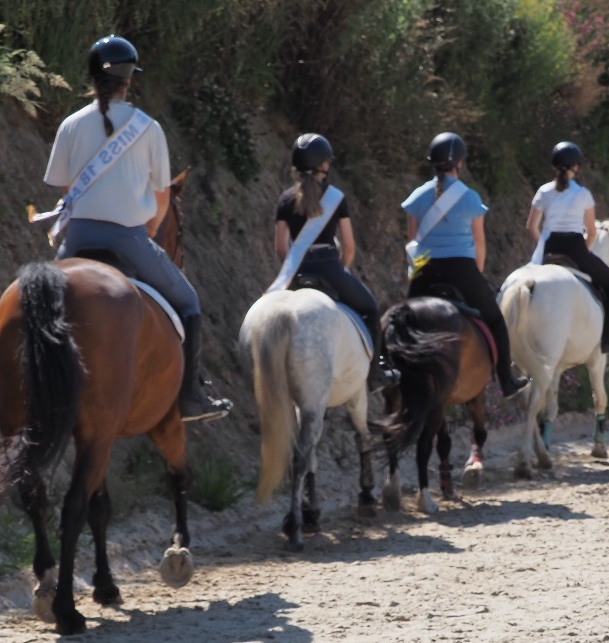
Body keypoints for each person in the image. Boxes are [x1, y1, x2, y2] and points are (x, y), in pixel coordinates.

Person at [46, 34, 231, 421]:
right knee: (189, 304)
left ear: (93, 76)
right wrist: (147, 230)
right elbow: (162, 198)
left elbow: (67, 188)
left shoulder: (70, 125)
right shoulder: (148, 128)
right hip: (128, 237)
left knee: (43, 300)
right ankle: (190, 396)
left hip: (77, 235)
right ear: (129, 80)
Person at [401, 132, 529, 398]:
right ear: (459, 163)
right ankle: (506, 380)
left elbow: (412, 240)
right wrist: (476, 275)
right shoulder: (470, 197)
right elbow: (479, 244)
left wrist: (418, 271)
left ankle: (387, 370)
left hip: (425, 269)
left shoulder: (417, 196)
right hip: (462, 269)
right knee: (495, 320)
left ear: (432, 163)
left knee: (401, 320)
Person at [273, 133, 398, 389]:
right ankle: (375, 374)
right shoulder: (336, 198)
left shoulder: (285, 199)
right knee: (371, 309)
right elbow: (349, 247)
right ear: (324, 164)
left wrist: (294, 268)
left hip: (296, 271)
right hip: (329, 267)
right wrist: (341, 271)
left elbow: (280, 247)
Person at [525, 140, 609, 353]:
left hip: (549, 248)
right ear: (576, 167)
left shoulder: (543, 191)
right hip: (575, 249)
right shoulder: (583, 195)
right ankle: (607, 340)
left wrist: (542, 246)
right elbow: (592, 231)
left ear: (554, 166)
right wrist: (584, 251)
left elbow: (531, 227)